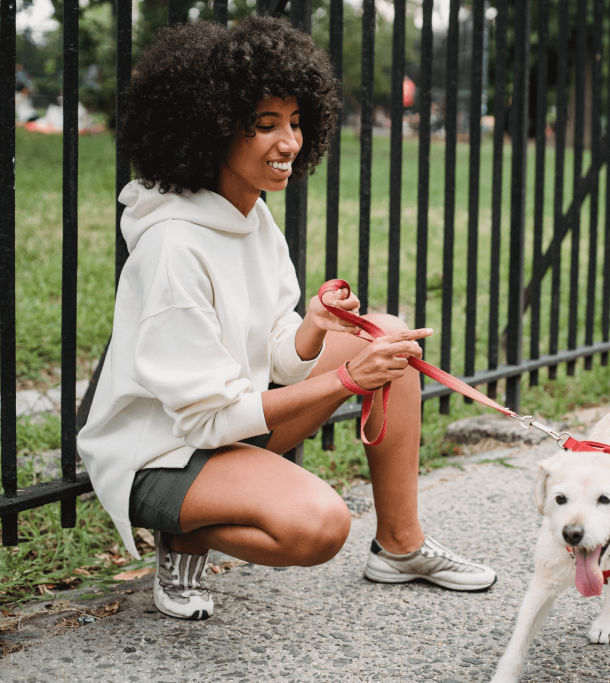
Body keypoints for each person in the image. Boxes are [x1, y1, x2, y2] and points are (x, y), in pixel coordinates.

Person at [77, 16, 496, 621]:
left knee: (392, 341)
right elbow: (207, 416)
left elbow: (275, 355)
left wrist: (313, 326)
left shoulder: (251, 216)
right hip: (162, 455)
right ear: (213, 129)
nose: (290, 142)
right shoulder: (172, 245)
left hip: (227, 421)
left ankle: (400, 546)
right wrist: (349, 382)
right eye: (265, 124)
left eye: (296, 123)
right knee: (319, 526)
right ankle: (183, 538)